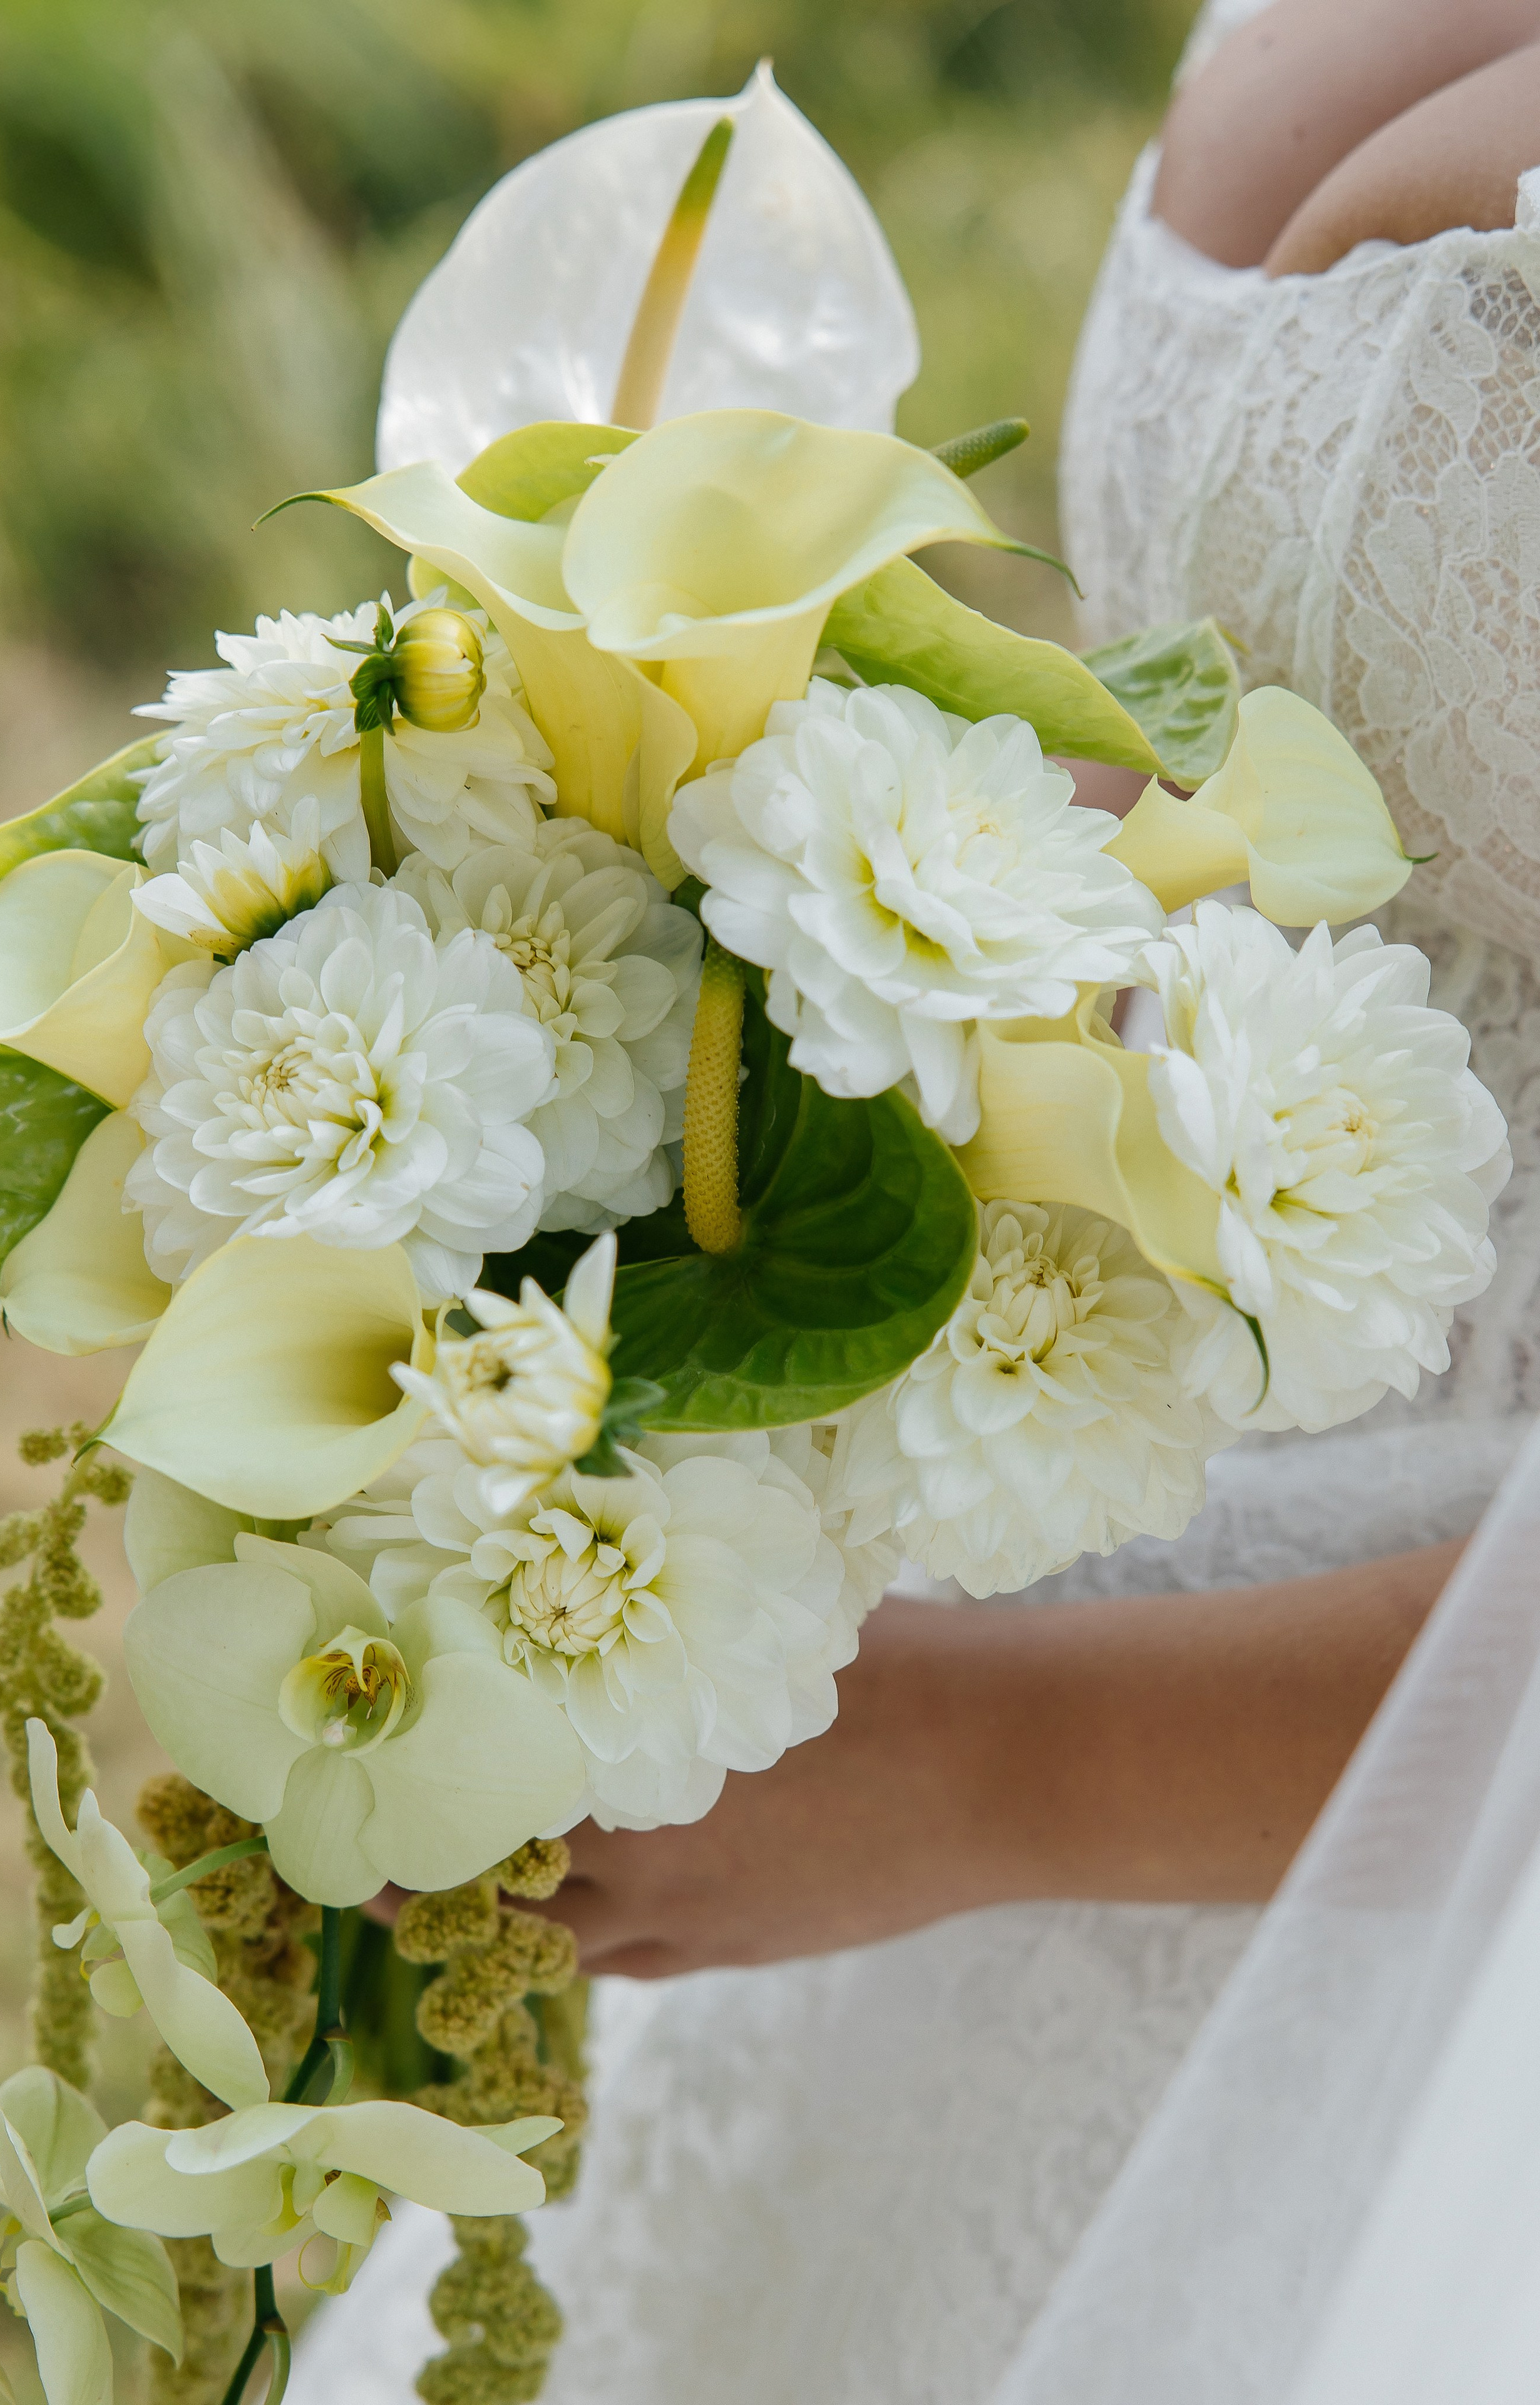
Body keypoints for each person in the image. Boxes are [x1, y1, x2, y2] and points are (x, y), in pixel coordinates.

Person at [288, 3, 1540, 2396]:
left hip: (1374, 1942)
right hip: (979, 1621)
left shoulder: (992, 1754)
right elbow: (1271, 729)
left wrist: (1001, 1764)